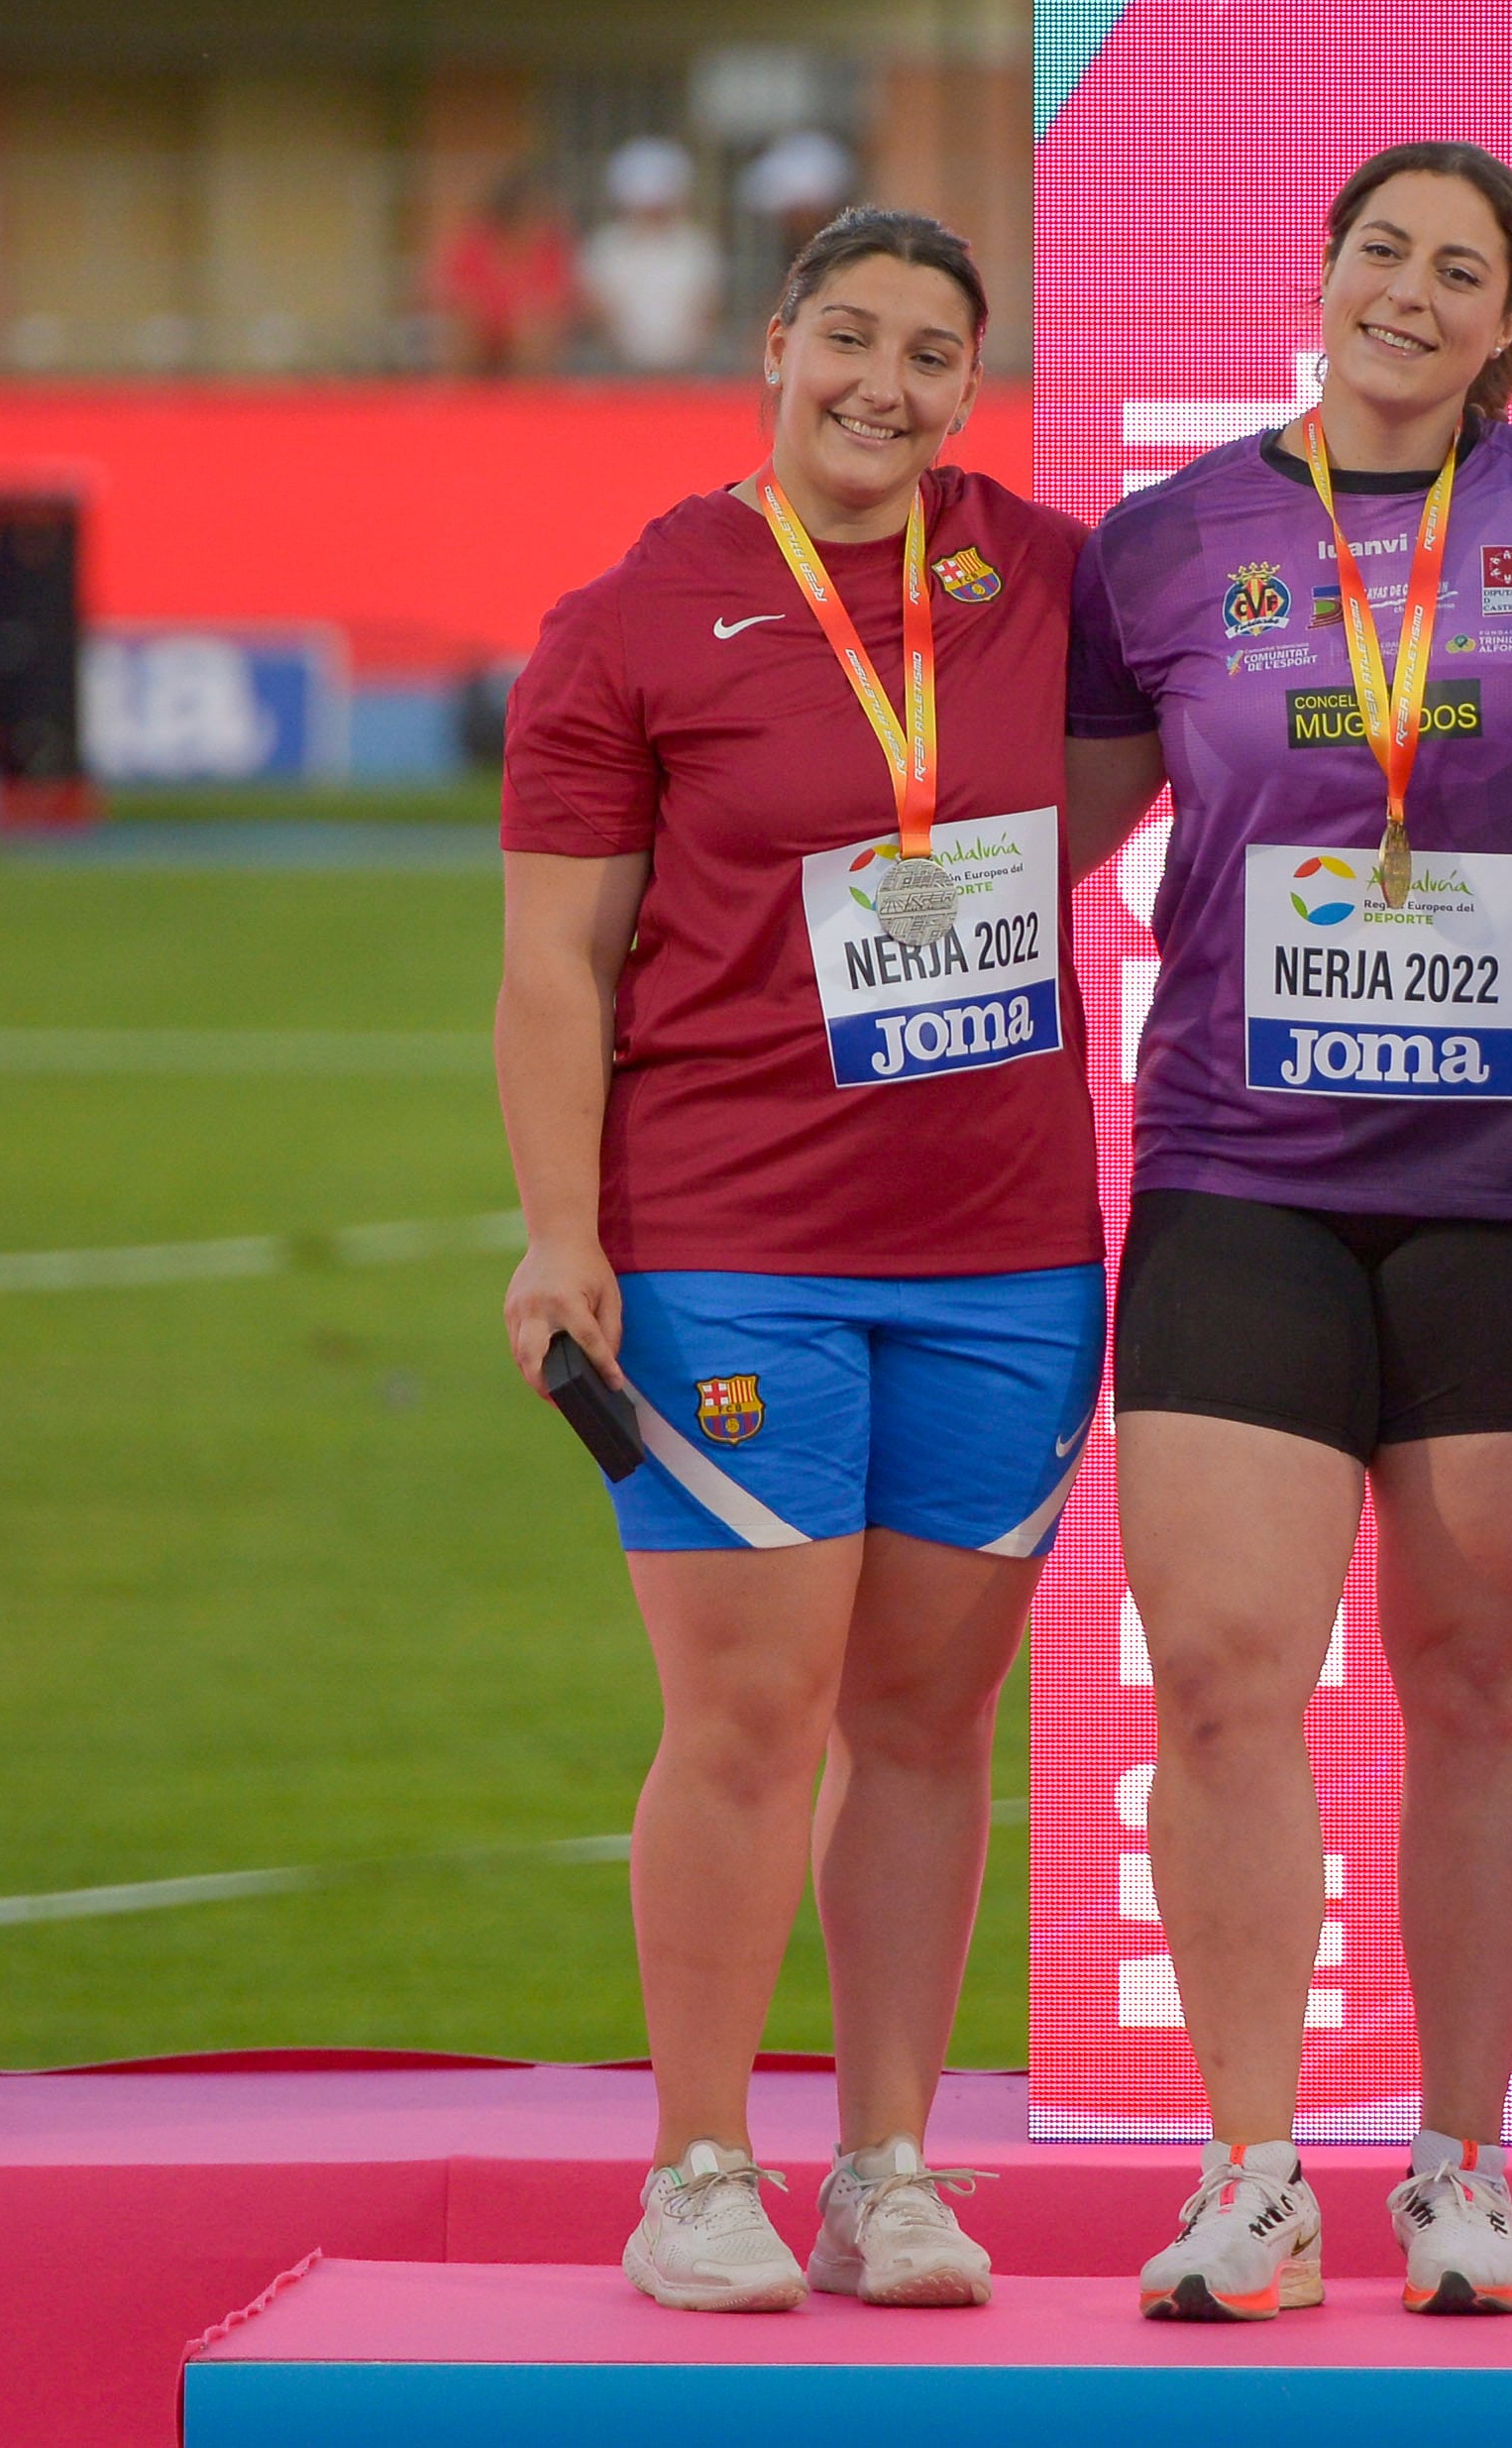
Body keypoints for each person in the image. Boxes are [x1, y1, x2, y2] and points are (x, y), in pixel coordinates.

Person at [1063, 139, 1512, 2321]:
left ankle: (1457, 2162)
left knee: (1479, 1678)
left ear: (1510, 321)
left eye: (1456, 271)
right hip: (1237, 1180)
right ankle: (1249, 2173)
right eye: (1377, 253)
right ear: (1317, 270)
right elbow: (1017, 835)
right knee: (1224, 1680)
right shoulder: (1165, 546)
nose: (1406, 294)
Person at [496, 206, 1098, 2314]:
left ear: (966, 383)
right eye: (849, 336)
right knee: (751, 1714)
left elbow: (1084, 794)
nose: (887, 384)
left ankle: (886, 2166)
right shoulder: (636, 615)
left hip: (1009, 1247)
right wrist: (561, 1240)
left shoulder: (1037, 574)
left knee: (930, 1721)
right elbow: (555, 969)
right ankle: (690, 2166)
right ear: (771, 347)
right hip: (730, 1240)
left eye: (933, 353)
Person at [580, 136, 727, 374]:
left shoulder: (696, 246)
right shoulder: (606, 247)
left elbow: (707, 308)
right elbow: (597, 311)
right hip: (619, 370)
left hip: (686, 370)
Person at [431, 164, 580, 377]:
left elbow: (559, 297)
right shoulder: (475, 241)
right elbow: (449, 288)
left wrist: (523, 319)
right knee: (461, 331)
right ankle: (459, 401)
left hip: (527, 331)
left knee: (535, 333)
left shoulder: (550, 246)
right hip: (481, 328)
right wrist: (481, 316)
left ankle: (526, 402)